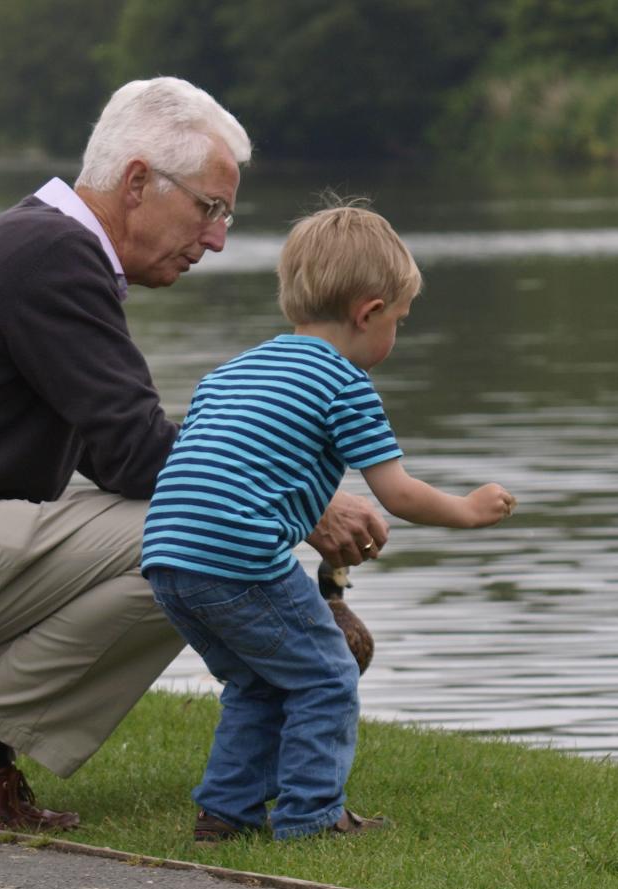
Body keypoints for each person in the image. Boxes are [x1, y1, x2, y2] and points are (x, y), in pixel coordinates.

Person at [0, 78, 388, 831]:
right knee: (195, 539)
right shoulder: (54, 258)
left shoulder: (41, 244)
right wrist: (303, 503)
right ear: (137, 182)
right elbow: (140, 455)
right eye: (209, 207)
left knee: (175, 522)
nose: (219, 237)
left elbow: (121, 450)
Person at [141, 203, 517, 842]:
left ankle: (225, 816)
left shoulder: (232, 371)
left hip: (167, 555)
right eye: (398, 320)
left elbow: (205, 462)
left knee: (258, 679)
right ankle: (312, 819)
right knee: (328, 675)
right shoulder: (344, 382)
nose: (395, 334)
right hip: (238, 556)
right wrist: (468, 510)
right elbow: (395, 493)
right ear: (369, 312)